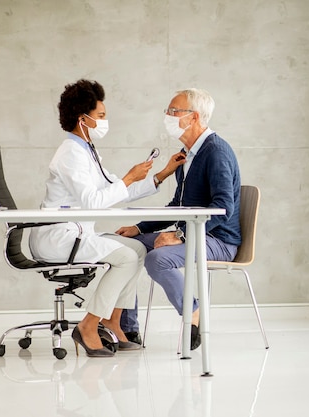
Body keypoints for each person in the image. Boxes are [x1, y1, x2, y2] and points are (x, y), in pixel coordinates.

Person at [29, 79, 186, 357]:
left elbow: (116, 192)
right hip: (57, 238)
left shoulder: (87, 151)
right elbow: (94, 203)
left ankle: (113, 320)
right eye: (101, 116)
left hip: (75, 234)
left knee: (137, 248)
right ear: (83, 119)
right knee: (125, 257)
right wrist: (127, 178)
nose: (105, 121)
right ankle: (89, 325)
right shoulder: (70, 155)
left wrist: (161, 174)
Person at [116, 88, 241, 350]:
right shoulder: (188, 155)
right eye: (168, 110)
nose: (168, 115)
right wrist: (138, 229)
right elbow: (177, 206)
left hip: (219, 239)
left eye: (174, 111)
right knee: (124, 247)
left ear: (194, 117)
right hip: (196, 234)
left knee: (157, 259)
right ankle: (127, 329)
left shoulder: (215, 152)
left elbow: (224, 207)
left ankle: (194, 314)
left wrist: (180, 235)